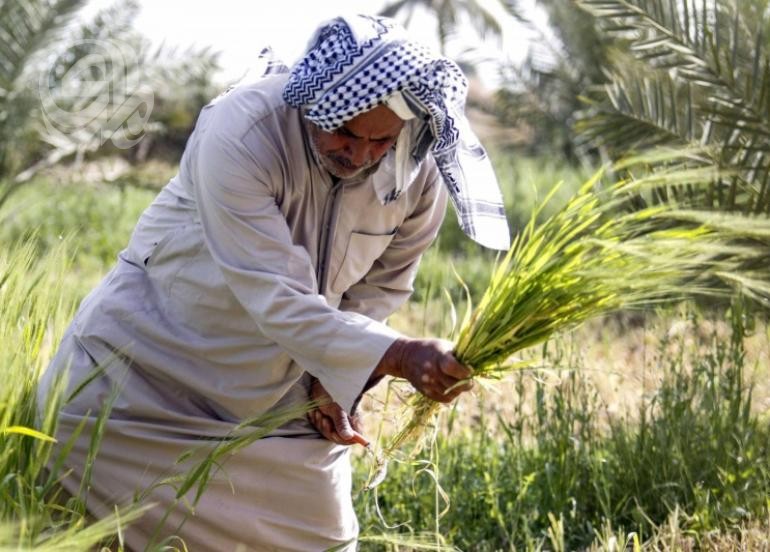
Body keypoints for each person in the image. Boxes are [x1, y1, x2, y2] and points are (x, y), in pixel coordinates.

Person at [38, 14, 510, 551]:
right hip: (143, 392)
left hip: (278, 407)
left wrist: (334, 379)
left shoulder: (416, 170)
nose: (360, 155)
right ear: (315, 101)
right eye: (346, 131)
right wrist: (398, 356)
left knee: (324, 539)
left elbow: (381, 286)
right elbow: (275, 295)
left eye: (382, 141)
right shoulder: (243, 132)